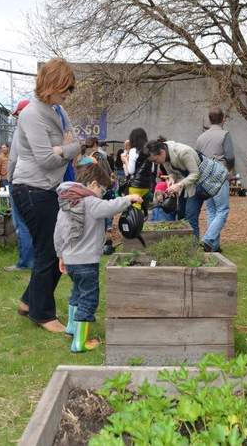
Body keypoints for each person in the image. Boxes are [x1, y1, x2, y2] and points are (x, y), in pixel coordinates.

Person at [11, 57, 80, 333]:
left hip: (49, 189)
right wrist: (64, 150)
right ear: (49, 83)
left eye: (70, 88)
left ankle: (30, 302)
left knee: (55, 249)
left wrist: (63, 150)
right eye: (65, 87)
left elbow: (77, 145)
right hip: (31, 189)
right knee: (49, 252)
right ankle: (42, 314)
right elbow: (45, 160)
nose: (68, 93)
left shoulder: (59, 112)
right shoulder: (32, 113)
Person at [54, 163, 142, 352]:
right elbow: (109, 207)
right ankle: (79, 343)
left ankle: (71, 327)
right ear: (93, 184)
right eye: (102, 190)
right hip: (86, 261)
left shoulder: (68, 202)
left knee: (77, 293)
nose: (102, 194)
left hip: (70, 259)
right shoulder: (90, 200)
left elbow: (58, 233)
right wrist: (129, 198)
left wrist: (60, 255)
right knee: (89, 298)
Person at [146, 136, 212, 246]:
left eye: (155, 160)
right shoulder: (164, 156)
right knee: (181, 216)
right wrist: (171, 179)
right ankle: (183, 246)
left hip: (195, 186)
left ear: (161, 152)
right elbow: (172, 172)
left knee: (191, 218)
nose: (156, 163)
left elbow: (195, 174)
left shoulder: (183, 152)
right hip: (183, 187)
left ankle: (194, 250)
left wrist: (179, 184)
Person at [195, 107, 233, 253]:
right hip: (220, 173)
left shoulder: (200, 138)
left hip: (205, 176)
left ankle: (213, 246)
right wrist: (230, 168)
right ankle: (208, 239)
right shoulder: (225, 134)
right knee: (222, 210)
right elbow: (229, 156)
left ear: (209, 120)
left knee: (211, 211)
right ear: (223, 119)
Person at [4, 100, 35, 272]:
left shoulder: (19, 131)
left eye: (17, 114)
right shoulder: (39, 129)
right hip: (35, 181)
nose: (16, 118)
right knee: (32, 222)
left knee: (20, 222)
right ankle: (35, 259)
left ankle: (25, 262)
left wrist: (9, 178)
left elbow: (14, 158)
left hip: (19, 179)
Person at [127, 128, 154, 209]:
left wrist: (125, 160)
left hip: (135, 186)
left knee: (135, 208)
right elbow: (152, 169)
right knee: (143, 207)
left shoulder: (133, 151)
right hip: (146, 186)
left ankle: (137, 221)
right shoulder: (149, 151)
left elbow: (131, 171)